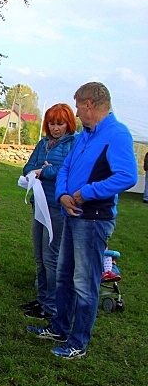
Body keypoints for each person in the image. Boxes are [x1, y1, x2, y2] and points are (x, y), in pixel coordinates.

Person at [28, 82, 138, 359]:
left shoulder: (117, 134)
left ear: (90, 104)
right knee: (64, 276)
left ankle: (78, 342)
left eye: (78, 106)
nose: (76, 113)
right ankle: (59, 327)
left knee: (85, 283)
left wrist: (86, 193)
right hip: (71, 214)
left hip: (93, 219)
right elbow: (65, 166)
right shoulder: (85, 136)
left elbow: (127, 176)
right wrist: (64, 194)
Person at [20, 103, 77, 320]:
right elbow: (28, 168)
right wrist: (39, 170)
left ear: (68, 124)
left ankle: (52, 305)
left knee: (51, 256)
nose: (55, 128)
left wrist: (44, 170)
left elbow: (67, 171)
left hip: (56, 206)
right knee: (39, 256)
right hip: (39, 204)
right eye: (52, 123)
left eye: (60, 123)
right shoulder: (43, 143)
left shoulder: (73, 143)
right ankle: (42, 298)